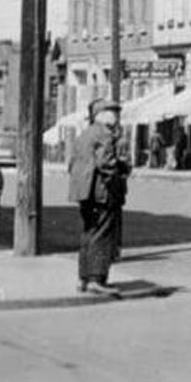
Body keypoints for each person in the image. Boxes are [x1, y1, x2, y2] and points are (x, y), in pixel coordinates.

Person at [67, 99, 131, 297]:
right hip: (102, 192)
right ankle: (97, 278)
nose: (117, 116)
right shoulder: (104, 133)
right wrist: (119, 172)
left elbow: (72, 163)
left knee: (89, 232)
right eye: (113, 112)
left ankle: (84, 278)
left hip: (85, 192)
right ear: (101, 115)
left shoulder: (85, 134)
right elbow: (105, 163)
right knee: (102, 234)